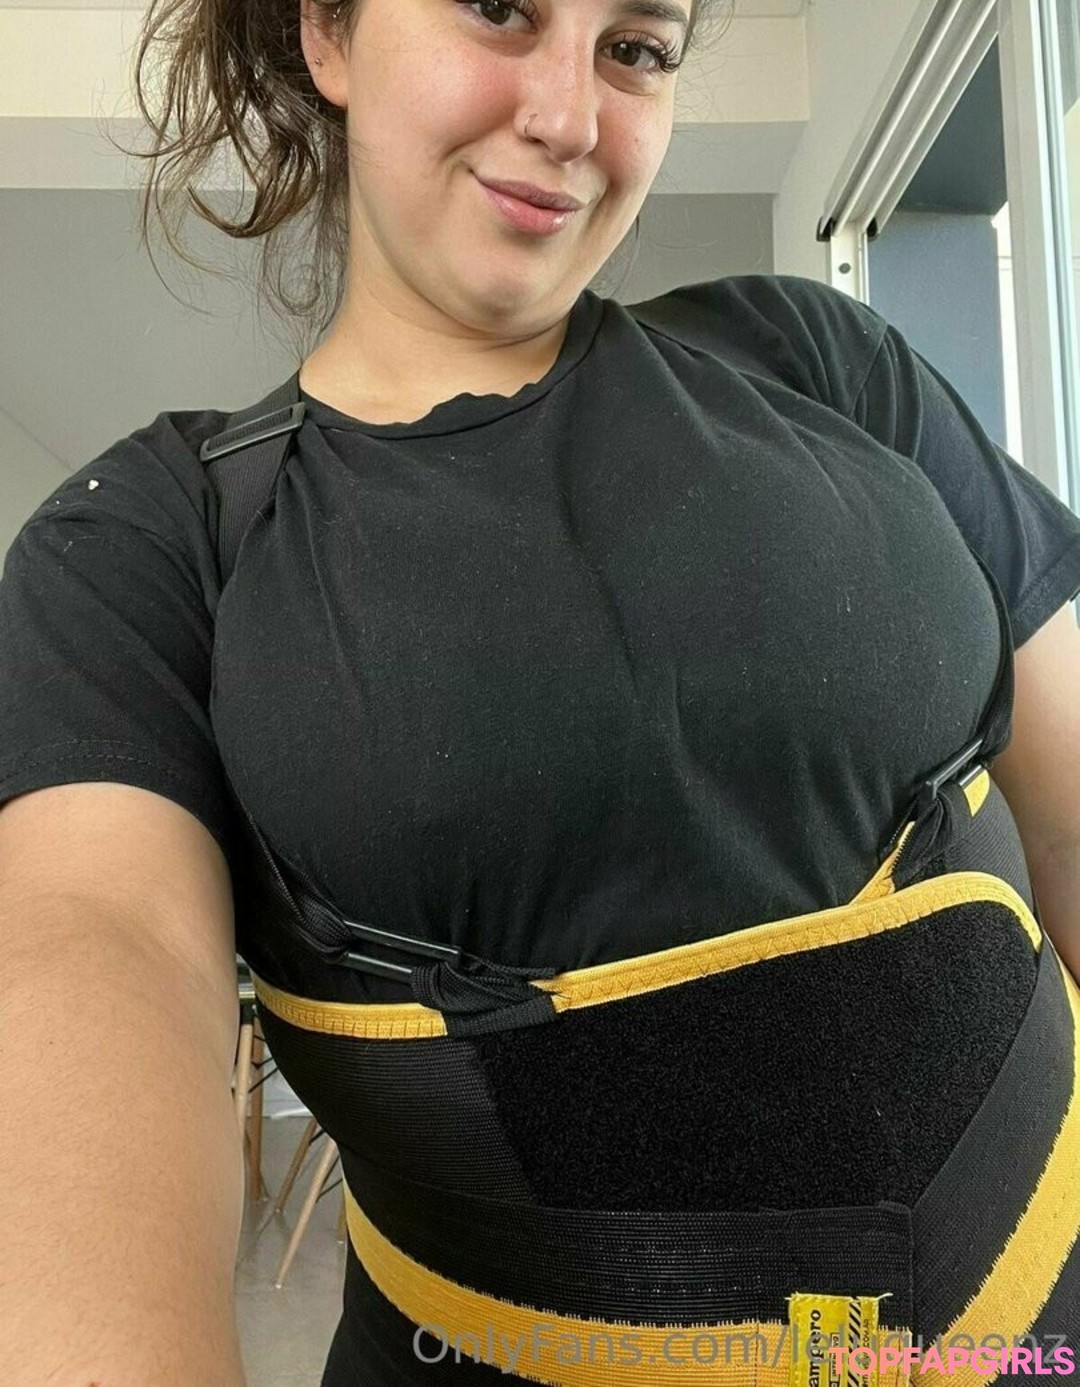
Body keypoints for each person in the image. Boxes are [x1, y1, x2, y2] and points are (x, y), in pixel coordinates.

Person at [2, 0, 1080, 1381]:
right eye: (500, 8)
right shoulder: (155, 545)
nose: (571, 118)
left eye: (636, 49)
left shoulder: (817, 359)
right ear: (328, 36)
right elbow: (97, 950)